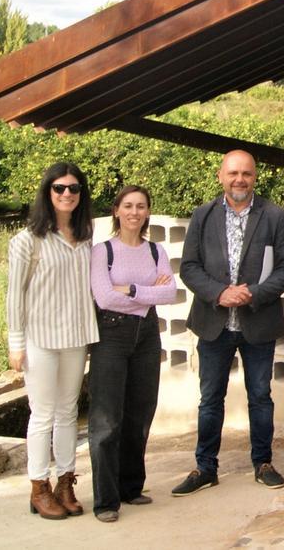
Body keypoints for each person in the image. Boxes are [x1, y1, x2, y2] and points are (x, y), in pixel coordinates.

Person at [173, 150, 284, 494]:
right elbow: (189, 267)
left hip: (257, 322)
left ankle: (263, 462)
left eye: (246, 173)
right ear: (220, 176)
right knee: (210, 398)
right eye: (233, 173)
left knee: (260, 396)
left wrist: (252, 294)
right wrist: (219, 293)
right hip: (214, 323)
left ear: (254, 177)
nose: (239, 179)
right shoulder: (203, 215)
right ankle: (205, 467)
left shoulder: (274, 216)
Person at [5, 162, 97, 520]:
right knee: (42, 414)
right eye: (59, 188)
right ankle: (38, 487)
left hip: (75, 337)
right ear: (47, 192)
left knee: (67, 413)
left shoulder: (86, 237)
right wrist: (16, 343)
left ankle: (65, 483)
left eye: (74, 188)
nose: (67, 194)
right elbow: (15, 295)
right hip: (40, 338)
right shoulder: (27, 241)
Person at [88, 185, 177, 522]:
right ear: (116, 211)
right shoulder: (102, 251)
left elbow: (170, 294)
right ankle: (106, 501)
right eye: (128, 206)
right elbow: (105, 298)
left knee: (140, 413)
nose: (134, 212)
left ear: (147, 212)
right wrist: (149, 292)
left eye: (141, 206)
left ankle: (131, 487)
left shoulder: (156, 251)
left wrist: (132, 290)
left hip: (146, 334)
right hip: (111, 334)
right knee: (107, 419)